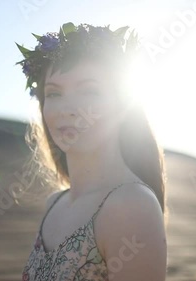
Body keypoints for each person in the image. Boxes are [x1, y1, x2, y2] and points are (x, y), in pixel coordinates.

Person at [15, 22, 168, 281]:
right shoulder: (54, 204)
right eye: (53, 93)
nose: (67, 109)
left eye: (89, 91)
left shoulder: (132, 206)